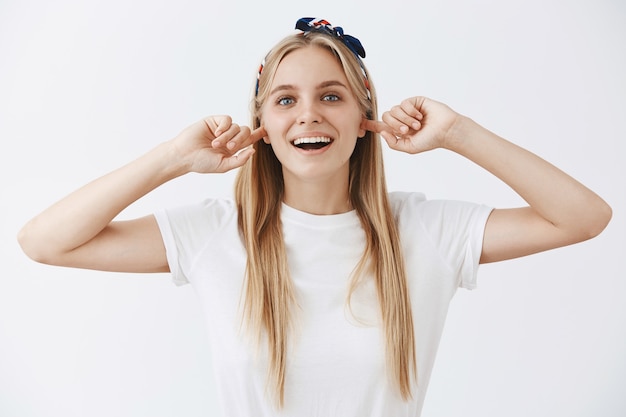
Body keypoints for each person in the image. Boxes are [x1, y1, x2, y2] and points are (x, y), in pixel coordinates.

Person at [17, 17, 611, 417]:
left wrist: (457, 133)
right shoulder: (214, 234)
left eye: (331, 96)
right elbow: (45, 241)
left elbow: (583, 217)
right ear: (264, 125)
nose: (308, 115)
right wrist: (173, 159)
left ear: (364, 118)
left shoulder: (428, 233)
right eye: (285, 100)